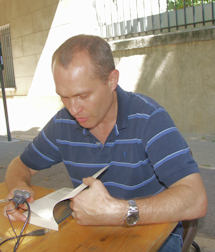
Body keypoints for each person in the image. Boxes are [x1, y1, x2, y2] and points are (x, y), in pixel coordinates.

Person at [4, 34, 207, 251]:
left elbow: (195, 199)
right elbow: (21, 164)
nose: (73, 109)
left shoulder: (148, 118)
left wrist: (120, 212)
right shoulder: (63, 123)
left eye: (82, 96)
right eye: (64, 97)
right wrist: (19, 189)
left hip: (154, 234)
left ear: (111, 80)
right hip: (92, 232)